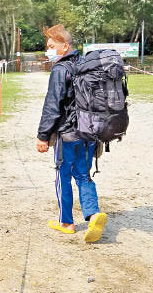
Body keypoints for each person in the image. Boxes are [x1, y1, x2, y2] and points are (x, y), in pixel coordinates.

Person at [36, 24, 107, 243]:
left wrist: (42, 135)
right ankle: (93, 214)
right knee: (84, 176)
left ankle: (66, 222)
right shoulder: (85, 65)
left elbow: (52, 105)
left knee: (63, 177)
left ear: (64, 46)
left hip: (67, 134)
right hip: (89, 133)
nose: (48, 50)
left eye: (51, 45)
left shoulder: (60, 69)